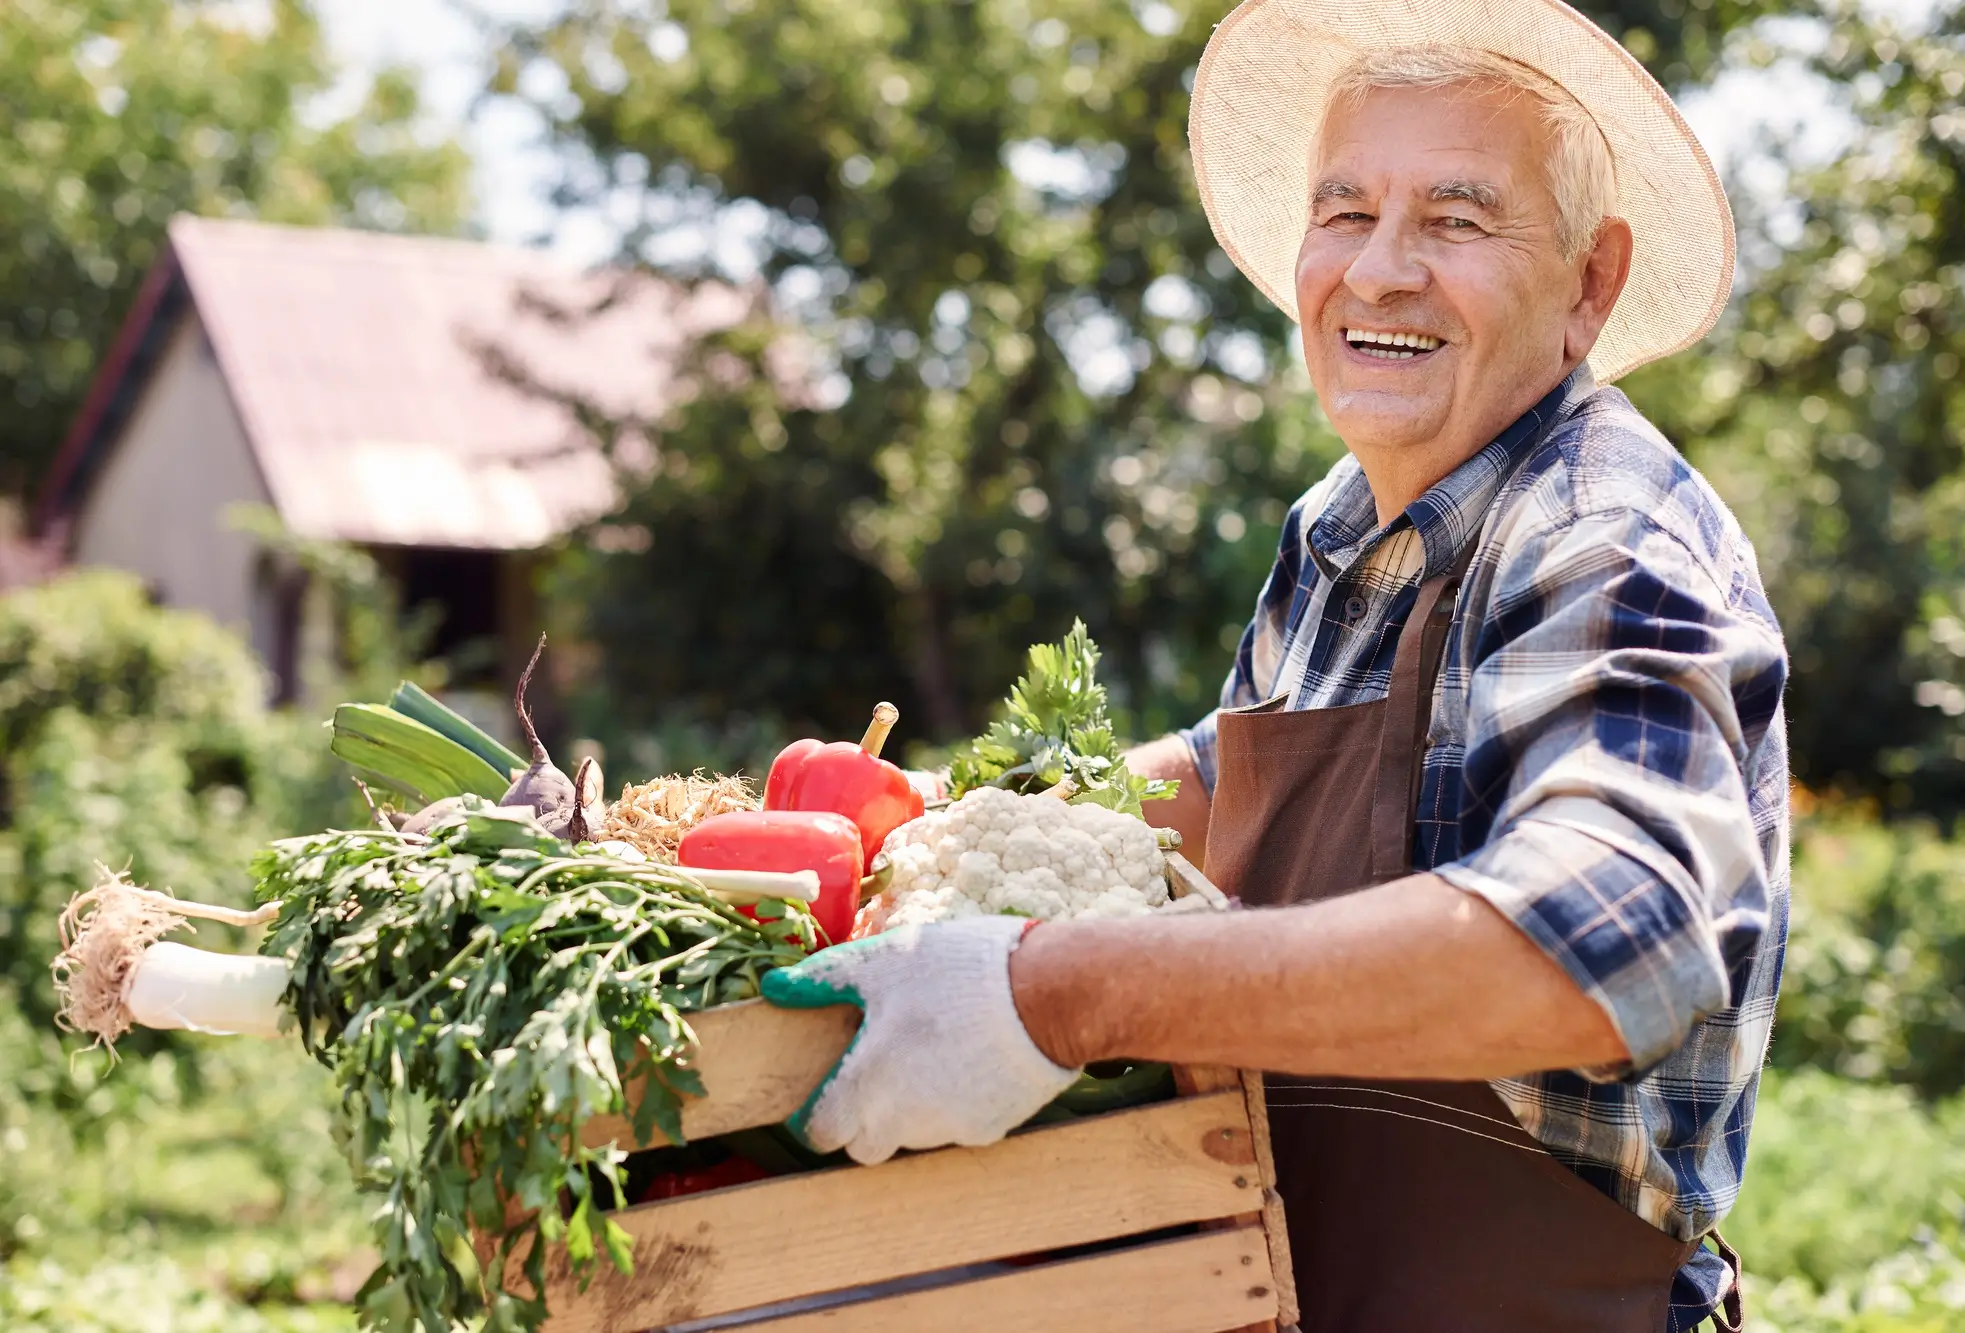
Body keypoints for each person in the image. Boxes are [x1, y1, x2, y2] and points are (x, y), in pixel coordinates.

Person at [762, 2, 1786, 1329]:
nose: (1379, 272)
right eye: (1345, 209)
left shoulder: (1605, 536)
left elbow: (1605, 947)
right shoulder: (1344, 523)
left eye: (1458, 219)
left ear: (1589, 284)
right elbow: (1233, 766)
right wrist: (931, 835)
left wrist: (1049, 994)